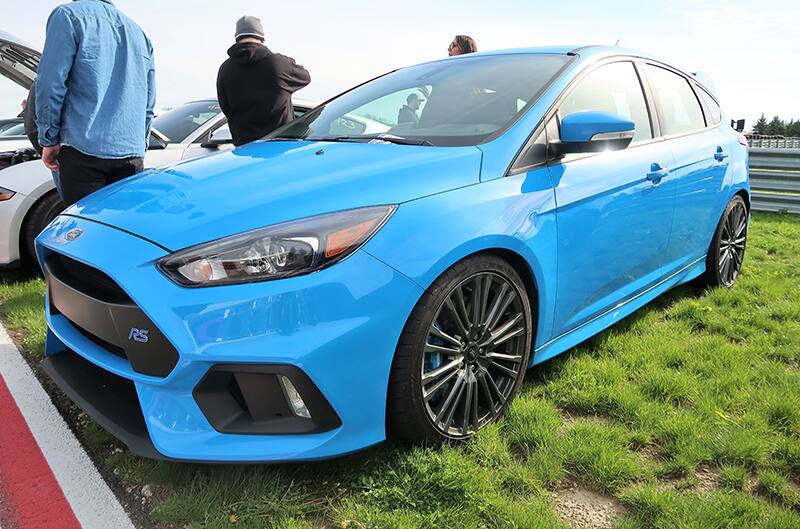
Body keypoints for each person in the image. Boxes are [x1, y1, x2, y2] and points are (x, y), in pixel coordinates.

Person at [36, 0, 156, 207]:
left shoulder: (68, 16)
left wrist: (48, 138)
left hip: (83, 148)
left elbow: (51, 83)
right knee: (122, 231)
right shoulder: (139, 34)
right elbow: (149, 101)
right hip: (131, 153)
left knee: (83, 231)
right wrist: (141, 144)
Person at [217, 16, 311, 146]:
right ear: (262, 38)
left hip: (243, 147)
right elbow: (306, 77)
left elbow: (225, 106)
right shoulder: (278, 63)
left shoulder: (225, 68)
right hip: (278, 146)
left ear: (237, 38)